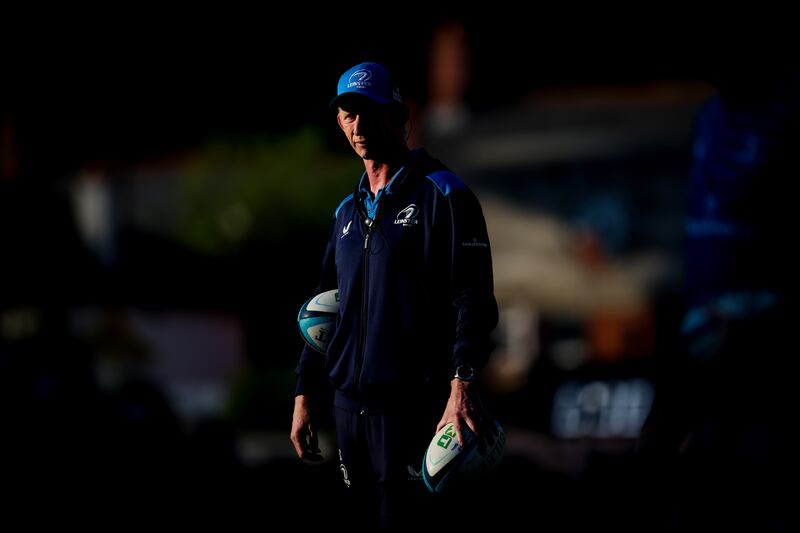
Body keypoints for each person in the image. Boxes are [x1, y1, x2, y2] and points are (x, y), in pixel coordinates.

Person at [290, 61, 499, 530]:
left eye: (368, 111)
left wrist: (461, 384)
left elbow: (474, 299)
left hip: (413, 411)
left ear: (397, 115)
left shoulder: (443, 195)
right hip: (349, 412)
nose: (358, 124)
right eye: (348, 113)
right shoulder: (346, 211)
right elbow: (324, 305)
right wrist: (306, 391)